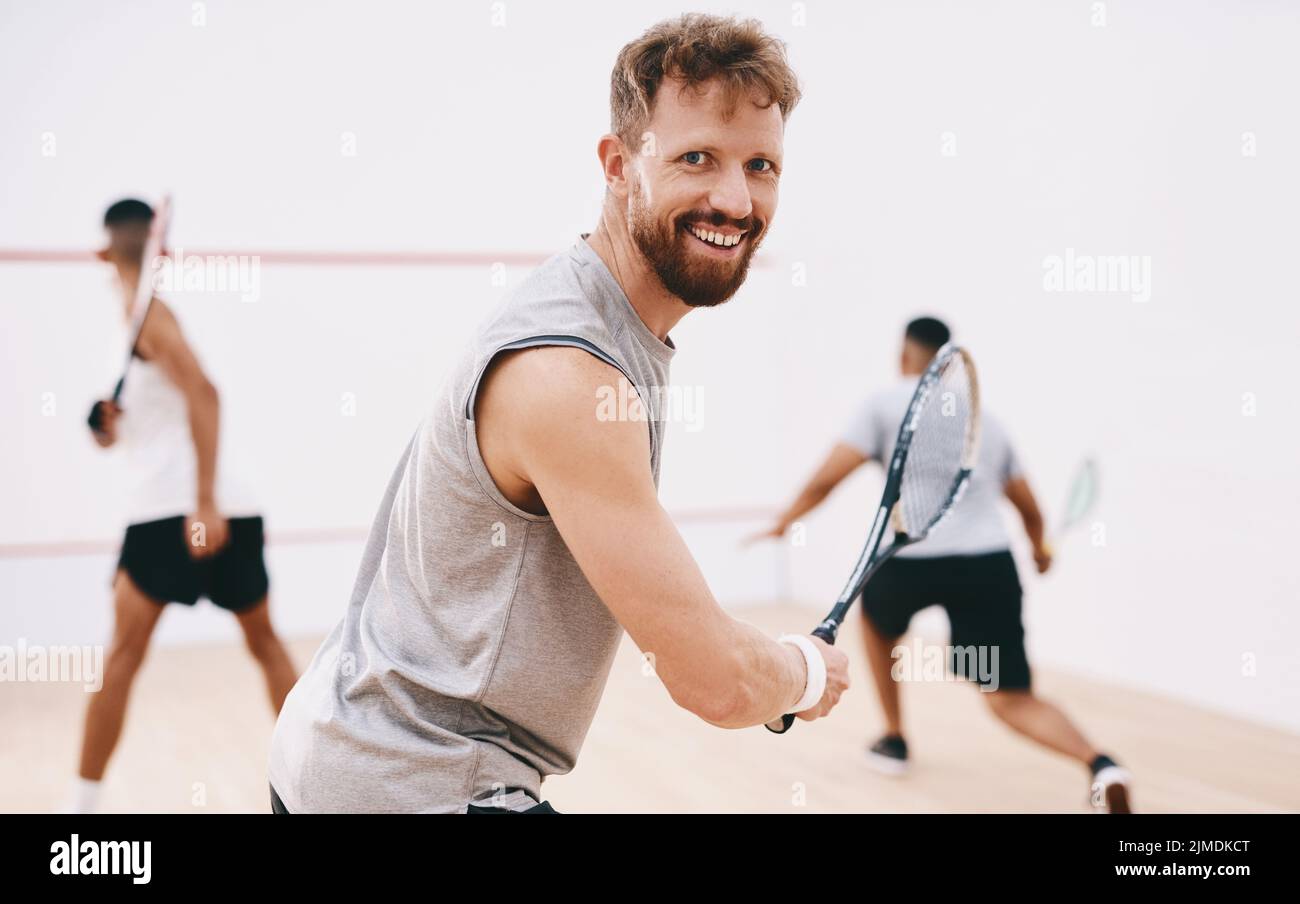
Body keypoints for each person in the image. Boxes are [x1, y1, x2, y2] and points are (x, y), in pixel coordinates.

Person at [267, 13, 850, 814]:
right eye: (696, 159)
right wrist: (805, 672)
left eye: (761, 165)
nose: (735, 198)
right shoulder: (568, 373)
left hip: (345, 755)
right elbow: (713, 680)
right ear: (618, 164)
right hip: (417, 785)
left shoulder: (598, 318)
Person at [753, 316, 1133, 813]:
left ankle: (893, 738)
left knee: (877, 626)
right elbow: (1029, 507)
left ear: (904, 356)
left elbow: (827, 478)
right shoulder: (985, 421)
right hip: (988, 565)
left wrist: (786, 520)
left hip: (909, 558)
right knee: (1009, 697)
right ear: (946, 361)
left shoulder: (884, 403)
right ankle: (1101, 764)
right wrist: (1039, 550)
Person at [64, 198, 297, 814]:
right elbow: (159, 415)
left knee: (122, 657)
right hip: (204, 506)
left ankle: (80, 814)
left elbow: (207, 393)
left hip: (183, 511)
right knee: (266, 646)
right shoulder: (135, 323)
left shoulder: (149, 319)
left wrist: (203, 502)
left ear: (101, 252)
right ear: (158, 249)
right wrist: (105, 424)